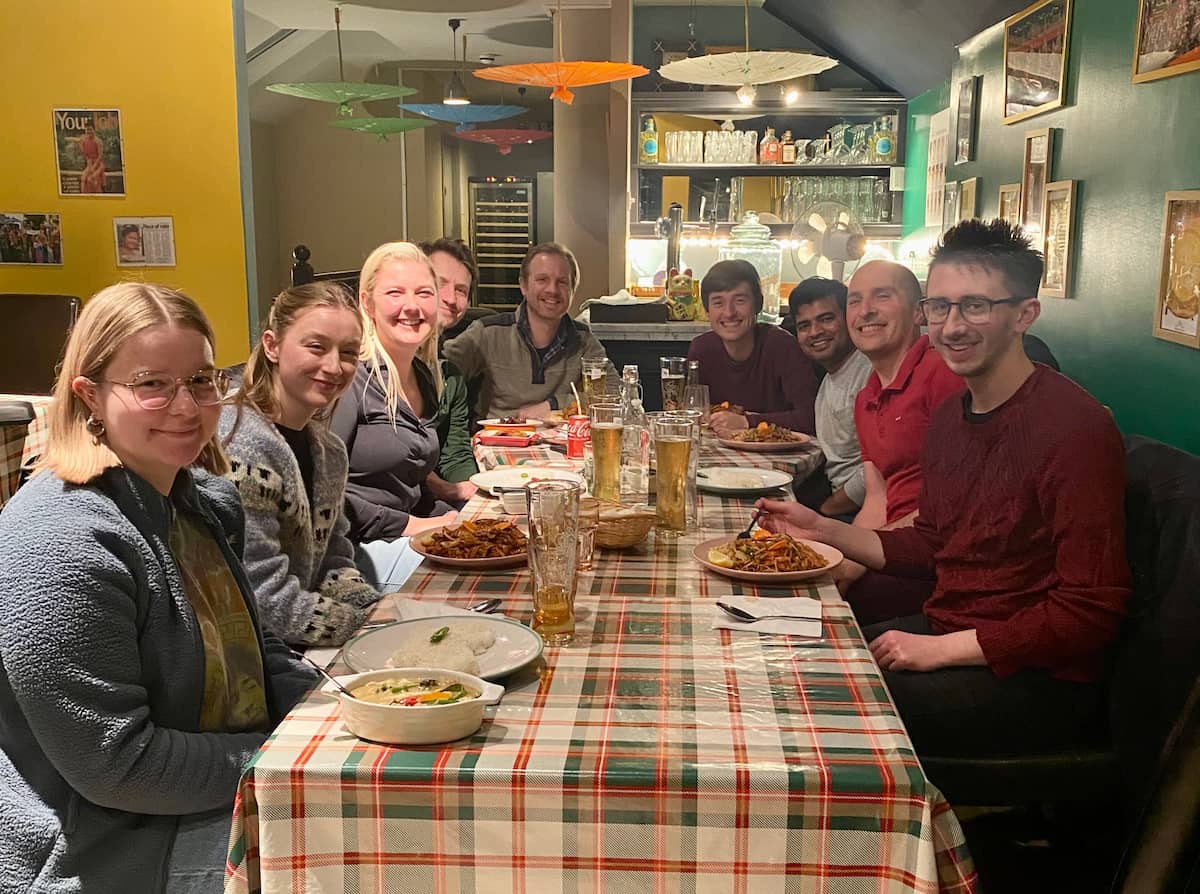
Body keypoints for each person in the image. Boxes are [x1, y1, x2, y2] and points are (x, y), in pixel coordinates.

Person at [756, 219, 1131, 758]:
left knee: (804, 708)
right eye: (940, 307)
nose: (952, 326)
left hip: (1034, 680)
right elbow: (936, 542)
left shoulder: (1074, 428)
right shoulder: (955, 416)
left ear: (1025, 313)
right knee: (771, 654)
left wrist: (942, 651)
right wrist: (823, 529)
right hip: (946, 628)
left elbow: (1089, 611)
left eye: (975, 306)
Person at [0, 282, 317, 892]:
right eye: (151, 385)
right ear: (89, 395)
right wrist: (288, 756)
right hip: (100, 849)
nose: (187, 407)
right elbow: (119, 766)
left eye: (201, 380)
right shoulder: (60, 544)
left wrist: (329, 712)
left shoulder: (196, 502)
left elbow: (255, 649)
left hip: (194, 797)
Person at [220, 282, 383, 646]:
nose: (334, 366)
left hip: (298, 638)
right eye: (316, 346)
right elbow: (259, 595)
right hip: (253, 652)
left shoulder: (329, 450)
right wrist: (365, 629)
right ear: (272, 346)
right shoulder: (240, 443)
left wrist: (375, 610)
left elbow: (335, 558)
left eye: (348, 353)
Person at [332, 242, 458, 589]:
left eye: (423, 293)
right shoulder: (351, 378)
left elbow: (411, 483)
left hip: (402, 536)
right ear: (366, 302)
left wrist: (453, 517)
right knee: (469, 575)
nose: (412, 306)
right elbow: (321, 492)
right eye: (395, 293)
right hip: (355, 550)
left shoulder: (425, 376)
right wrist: (410, 526)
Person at [443, 242, 608, 421]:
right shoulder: (487, 333)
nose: (552, 290)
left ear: (572, 290)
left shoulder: (584, 341)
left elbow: (613, 395)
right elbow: (438, 371)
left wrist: (553, 405)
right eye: (542, 280)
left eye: (562, 282)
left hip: (563, 445)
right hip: (496, 442)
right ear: (523, 285)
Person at [688, 259, 818, 437]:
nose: (729, 312)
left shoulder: (782, 346)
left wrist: (747, 422)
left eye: (740, 300)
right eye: (718, 302)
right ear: (707, 311)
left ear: (758, 304)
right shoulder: (702, 349)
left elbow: (812, 418)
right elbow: (694, 415)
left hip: (780, 456)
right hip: (721, 453)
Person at [788, 277, 872, 518]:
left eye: (826, 319)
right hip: (838, 501)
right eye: (804, 326)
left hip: (860, 513)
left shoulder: (869, 374)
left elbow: (877, 472)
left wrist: (826, 510)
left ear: (849, 318)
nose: (815, 332)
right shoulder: (829, 381)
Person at [420, 237, 479, 496]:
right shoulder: (378, 367)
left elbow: (454, 454)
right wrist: (443, 489)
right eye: (439, 284)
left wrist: (477, 487)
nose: (451, 298)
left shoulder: (451, 376)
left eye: (461, 290)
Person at [79, 122, 106, 194]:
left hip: (99, 165)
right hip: (90, 164)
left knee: (91, 179)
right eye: (87, 129)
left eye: (90, 129)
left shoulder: (98, 141)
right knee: (83, 178)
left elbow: (100, 156)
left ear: (94, 130)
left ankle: (100, 196)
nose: (89, 131)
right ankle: (84, 197)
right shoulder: (84, 140)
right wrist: (89, 165)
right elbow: (85, 154)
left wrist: (93, 168)